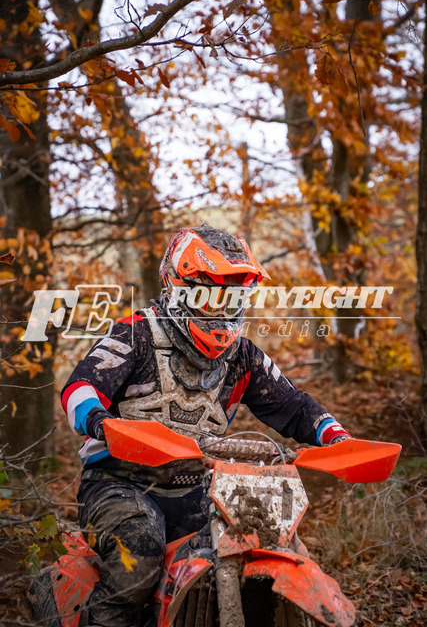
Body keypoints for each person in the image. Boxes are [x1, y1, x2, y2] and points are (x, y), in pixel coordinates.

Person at [61, 224, 351, 627]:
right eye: (211, 296)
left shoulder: (243, 356)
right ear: (179, 290)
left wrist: (337, 437)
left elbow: (294, 406)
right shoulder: (136, 334)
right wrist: (99, 420)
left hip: (198, 485)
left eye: (233, 298)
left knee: (263, 540)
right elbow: (80, 387)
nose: (222, 310)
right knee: (139, 556)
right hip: (118, 483)